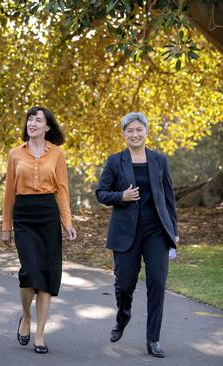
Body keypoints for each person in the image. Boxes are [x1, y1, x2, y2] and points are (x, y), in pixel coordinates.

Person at [95, 112, 178, 358]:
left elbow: (169, 199)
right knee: (124, 285)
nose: (134, 134)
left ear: (146, 131)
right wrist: (121, 196)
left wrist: (173, 231)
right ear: (124, 134)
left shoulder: (159, 160)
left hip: (156, 232)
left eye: (138, 129)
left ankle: (153, 339)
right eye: (129, 130)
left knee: (157, 283)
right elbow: (101, 193)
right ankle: (124, 315)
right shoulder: (114, 161)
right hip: (125, 233)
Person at [1, 106, 77, 355]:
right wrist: (6, 226)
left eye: (38, 120)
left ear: (47, 127)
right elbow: (9, 193)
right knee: (29, 273)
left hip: (48, 214)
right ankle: (26, 316)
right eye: (30, 119)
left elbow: (62, 190)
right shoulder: (15, 154)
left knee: (47, 276)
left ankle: (41, 334)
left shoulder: (57, 154)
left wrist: (67, 223)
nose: (32, 123)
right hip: (24, 214)